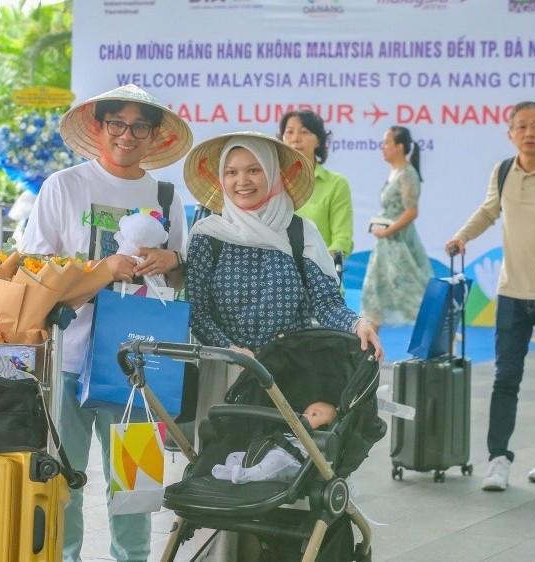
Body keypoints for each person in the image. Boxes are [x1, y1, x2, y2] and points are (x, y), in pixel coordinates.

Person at [183, 132, 382, 561]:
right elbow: (196, 313)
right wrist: (232, 349)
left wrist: (358, 323)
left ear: (272, 174)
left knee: (284, 481)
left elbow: (327, 302)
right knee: (226, 481)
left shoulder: (298, 233)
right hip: (226, 374)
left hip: (289, 379)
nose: (243, 181)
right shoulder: (208, 234)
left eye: (254, 169)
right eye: (232, 172)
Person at [20, 84, 193, 562]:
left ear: (156, 135)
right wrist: (102, 270)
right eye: (117, 124)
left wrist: (170, 258)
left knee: (136, 487)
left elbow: (181, 270)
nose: (127, 135)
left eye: (140, 126)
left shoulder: (165, 194)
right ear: (99, 127)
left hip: (138, 368)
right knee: (62, 480)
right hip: (69, 362)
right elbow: (35, 269)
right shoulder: (64, 186)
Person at [445, 101, 535, 491]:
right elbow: (489, 211)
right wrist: (462, 236)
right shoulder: (503, 171)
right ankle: (497, 459)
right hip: (511, 292)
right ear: (510, 134)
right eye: (521, 126)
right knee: (506, 378)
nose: (529, 132)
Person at [360, 125, 433, 332]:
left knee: (410, 293)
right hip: (385, 245)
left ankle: (444, 338)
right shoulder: (395, 173)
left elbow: (411, 211)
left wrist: (388, 231)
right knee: (374, 292)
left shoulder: (407, 174)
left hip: (400, 245)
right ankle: (370, 353)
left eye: (386, 143)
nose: (382, 147)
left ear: (400, 146)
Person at [278, 109, 353, 260]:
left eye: (304, 132)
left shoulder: (336, 184)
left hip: (321, 274)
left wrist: (323, 265)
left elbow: (342, 237)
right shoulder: (271, 182)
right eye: (290, 132)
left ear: (318, 140)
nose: (295, 138)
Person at [211, 401, 336, 484]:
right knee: (233, 455)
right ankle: (230, 471)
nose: (305, 415)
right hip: (267, 452)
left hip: (291, 463)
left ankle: (244, 476)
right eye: (305, 412)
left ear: (325, 428)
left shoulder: (320, 445)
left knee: (275, 462)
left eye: (314, 414)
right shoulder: (289, 433)